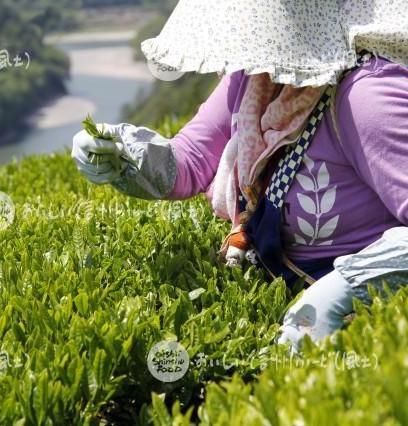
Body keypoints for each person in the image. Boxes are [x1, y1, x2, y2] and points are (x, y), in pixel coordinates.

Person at [71, 0, 408, 353]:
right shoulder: (257, 76)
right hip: (285, 296)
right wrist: (123, 154)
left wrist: (347, 288)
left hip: (367, 327)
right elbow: (191, 160)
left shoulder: (369, 97)